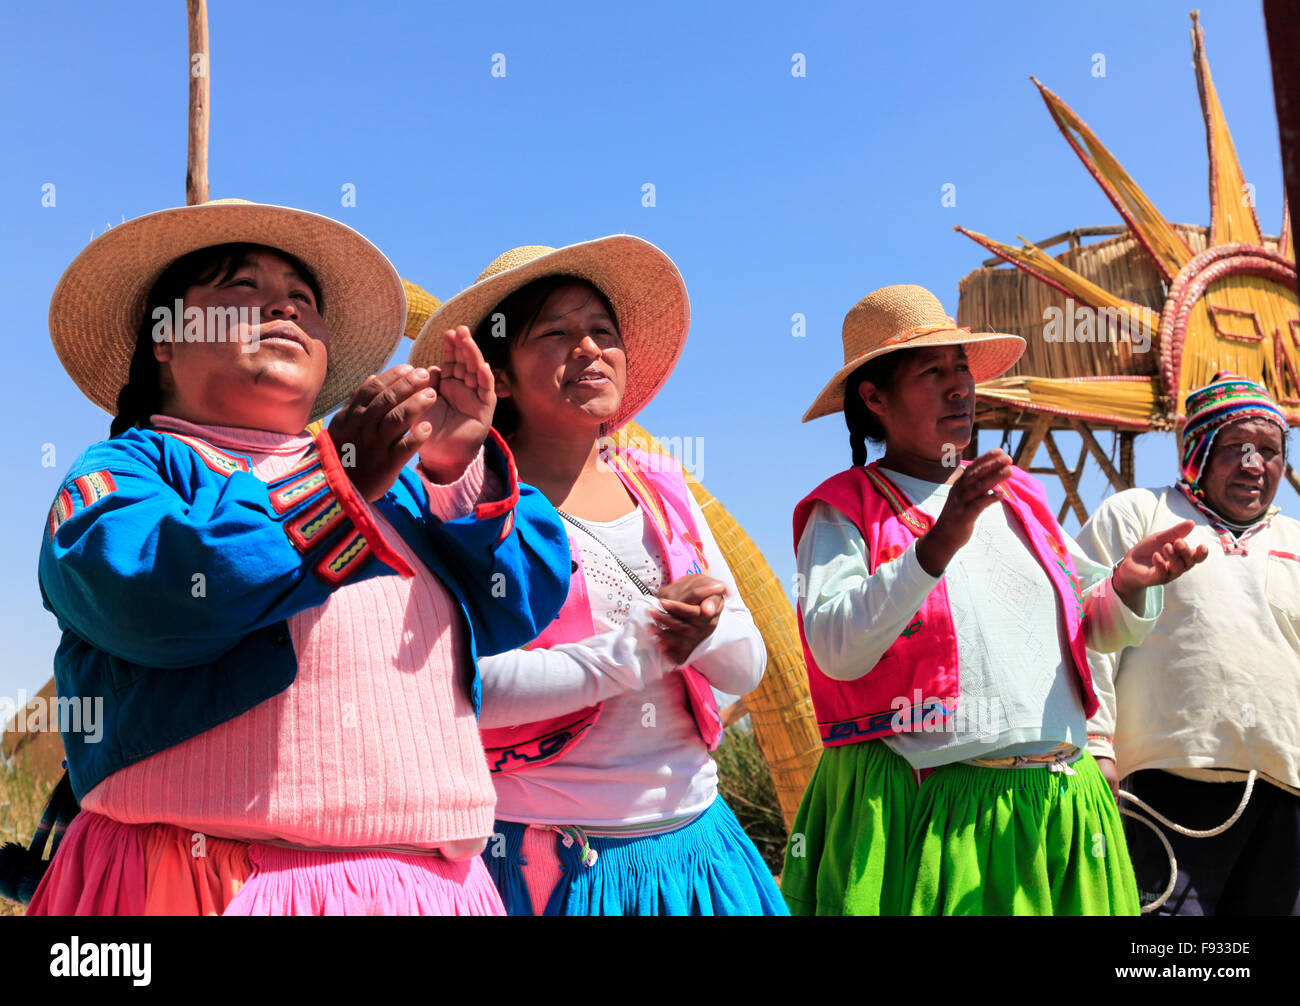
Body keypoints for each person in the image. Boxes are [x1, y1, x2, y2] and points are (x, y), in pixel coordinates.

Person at [13, 199, 568, 915]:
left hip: (422, 891)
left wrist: (455, 466)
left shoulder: (399, 485)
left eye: (303, 299)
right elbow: (142, 594)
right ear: (166, 338)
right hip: (197, 882)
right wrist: (334, 485)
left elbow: (520, 604)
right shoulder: (130, 470)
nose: (284, 306)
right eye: (242, 289)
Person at [781, 284, 1204, 915]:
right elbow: (836, 649)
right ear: (874, 397)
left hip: (1057, 803)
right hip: (932, 809)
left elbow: (1084, 626)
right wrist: (935, 546)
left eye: (962, 369)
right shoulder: (846, 511)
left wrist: (1126, 584)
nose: (959, 387)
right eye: (932, 372)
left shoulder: (1020, 497)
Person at [408, 237, 786, 915]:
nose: (587, 349)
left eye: (601, 332)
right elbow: (457, 686)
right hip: (552, 867)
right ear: (500, 373)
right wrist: (638, 651)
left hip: (699, 853)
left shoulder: (663, 492)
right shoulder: (464, 507)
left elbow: (746, 668)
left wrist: (701, 635)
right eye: (555, 333)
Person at [1079, 371, 1299, 915]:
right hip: (1162, 784)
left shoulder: (1296, 539)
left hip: (1287, 791)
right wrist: (1095, 745)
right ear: (1197, 451)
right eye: (1236, 448)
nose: (1254, 464)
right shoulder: (1137, 514)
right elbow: (1082, 629)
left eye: (1270, 451)